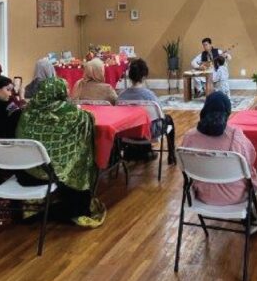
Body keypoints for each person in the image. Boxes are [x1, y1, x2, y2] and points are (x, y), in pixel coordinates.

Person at [16, 77, 103, 226]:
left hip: (26, 172)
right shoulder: (68, 112)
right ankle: (69, 209)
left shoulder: (27, 112)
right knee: (76, 163)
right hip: (52, 173)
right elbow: (88, 119)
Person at [180, 92, 257, 206]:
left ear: (204, 110)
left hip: (203, 195)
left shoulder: (189, 137)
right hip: (236, 195)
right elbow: (251, 159)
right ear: (228, 112)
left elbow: (184, 167)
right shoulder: (236, 136)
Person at [117, 58, 177, 164]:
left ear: (130, 76)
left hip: (127, 133)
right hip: (149, 133)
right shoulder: (150, 96)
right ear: (144, 76)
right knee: (168, 119)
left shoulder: (121, 97)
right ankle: (171, 155)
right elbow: (160, 115)